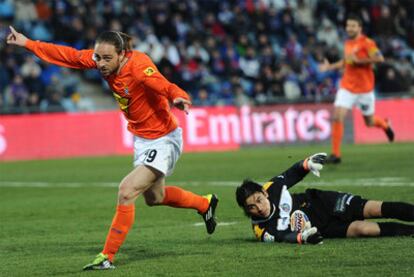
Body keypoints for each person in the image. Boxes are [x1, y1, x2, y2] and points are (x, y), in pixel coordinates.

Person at [6, 26, 219, 270]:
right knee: (155, 198)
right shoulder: (100, 60)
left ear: (122, 54)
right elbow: (67, 55)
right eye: (98, 57)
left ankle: (106, 256)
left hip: (164, 137)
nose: (101, 63)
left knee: (127, 191)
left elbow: (162, 84)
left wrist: (178, 96)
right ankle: (205, 204)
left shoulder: (138, 65)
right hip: (142, 139)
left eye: (107, 58)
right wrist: (27, 43)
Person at [236, 153, 414, 244]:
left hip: (322, 202)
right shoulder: (262, 230)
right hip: (322, 227)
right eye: (251, 207)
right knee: (364, 230)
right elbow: (283, 237)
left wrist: (307, 163)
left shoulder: (271, 188)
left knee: (375, 209)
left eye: (259, 200)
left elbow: (291, 174)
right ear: (247, 210)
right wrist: (303, 238)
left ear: (264, 193)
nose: (259, 208)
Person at [319, 14, 394, 164]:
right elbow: (346, 62)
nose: (349, 28)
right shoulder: (347, 43)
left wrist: (360, 61)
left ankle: (385, 125)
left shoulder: (367, 43)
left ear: (359, 27)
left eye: (353, 26)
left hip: (364, 89)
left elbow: (379, 58)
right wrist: (330, 66)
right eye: (348, 26)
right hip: (347, 86)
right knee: (337, 116)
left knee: (370, 122)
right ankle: (336, 155)